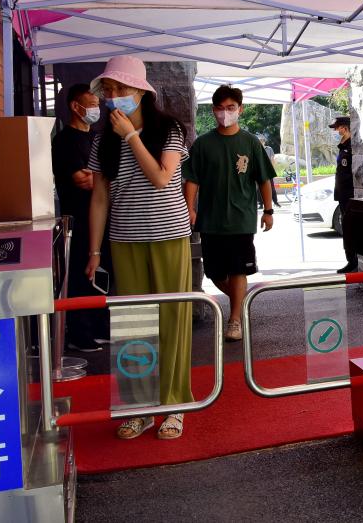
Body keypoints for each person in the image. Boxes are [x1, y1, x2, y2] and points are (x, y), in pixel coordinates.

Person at [85, 56, 194, 441]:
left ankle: (175, 404)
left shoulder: (169, 129)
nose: (113, 96)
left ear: (141, 92)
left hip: (169, 236)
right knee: (133, 324)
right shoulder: (102, 139)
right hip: (124, 238)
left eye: (121, 88)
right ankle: (139, 407)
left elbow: (162, 178)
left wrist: (131, 136)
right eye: (109, 89)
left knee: (172, 321)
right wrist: (94, 252)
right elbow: (100, 197)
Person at [183, 86, 275, 342]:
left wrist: (268, 211)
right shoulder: (203, 144)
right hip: (210, 220)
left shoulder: (250, 142)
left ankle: (234, 319)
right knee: (214, 272)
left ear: (240, 109)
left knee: (238, 270)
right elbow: (192, 180)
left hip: (241, 219)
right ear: (213, 110)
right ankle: (240, 303)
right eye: (220, 108)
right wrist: (189, 208)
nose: (225, 113)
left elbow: (264, 179)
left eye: (231, 108)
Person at [51, 83, 110, 353]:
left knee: (103, 272)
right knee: (80, 273)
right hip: (77, 220)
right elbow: (82, 180)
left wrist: (98, 177)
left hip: (103, 219)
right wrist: (101, 178)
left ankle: (100, 327)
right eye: (93, 104)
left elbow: (102, 176)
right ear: (76, 106)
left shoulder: (97, 138)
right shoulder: (64, 141)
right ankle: (80, 333)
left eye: (98, 105)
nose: (97, 109)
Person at [329, 116, 357, 273]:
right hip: (342, 194)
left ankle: (353, 262)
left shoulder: (352, 147)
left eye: (337, 128)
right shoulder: (343, 146)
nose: (335, 131)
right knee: (346, 228)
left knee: (350, 229)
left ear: (345, 128)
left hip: (349, 194)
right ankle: (350, 260)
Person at [259, 134, 281, 208]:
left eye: (262, 141)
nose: (261, 142)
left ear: (264, 142)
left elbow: (272, 160)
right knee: (259, 188)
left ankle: (275, 202)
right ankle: (261, 204)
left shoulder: (269, 149)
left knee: (271, 187)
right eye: (260, 141)